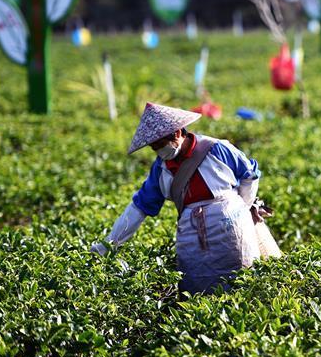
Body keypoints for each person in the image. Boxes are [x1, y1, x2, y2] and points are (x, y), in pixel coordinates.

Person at [90, 102, 280, 293]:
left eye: (161, 144)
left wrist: (242, 209)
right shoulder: (161, 168)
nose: (159, 150)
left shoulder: (218, 149)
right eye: (154, 147)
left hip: (232, 231)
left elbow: (250, 175)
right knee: (196, 290)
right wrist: (110, 244)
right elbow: (139, 208)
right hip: (192, 238)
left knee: (241, 283)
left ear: (178, 133)